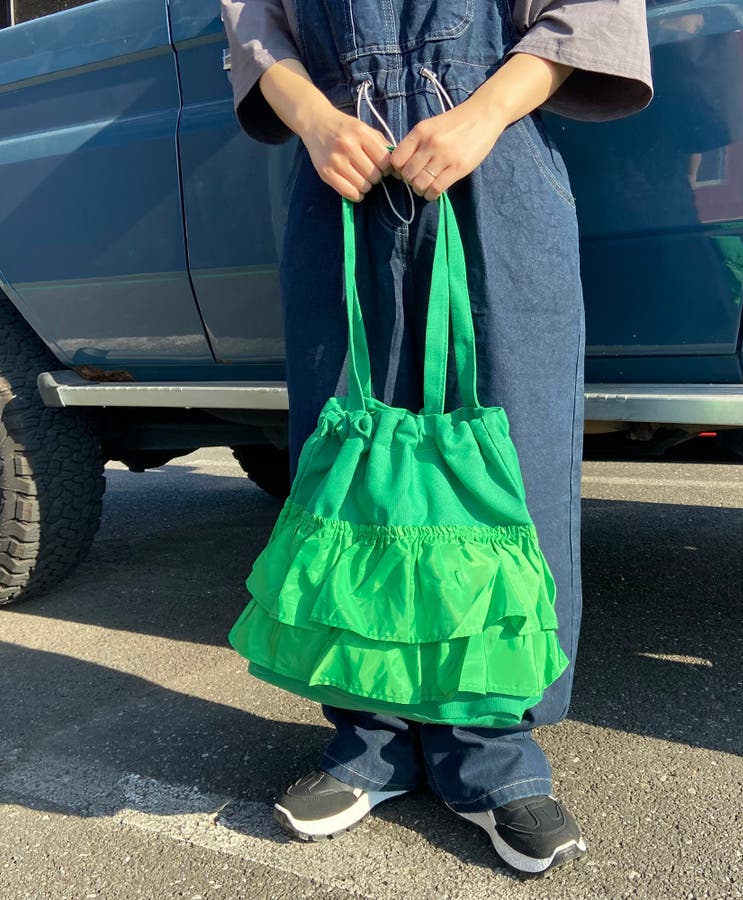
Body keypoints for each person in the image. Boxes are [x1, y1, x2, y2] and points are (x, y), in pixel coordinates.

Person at [221, 0, 651, 875]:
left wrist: (483, 113)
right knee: (350, 467)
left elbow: (585, 16)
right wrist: (316, 121)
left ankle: (491, 750)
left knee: (511, 461)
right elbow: (254, 24)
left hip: (492, 161)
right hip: (342, 172)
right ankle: (369, 738)